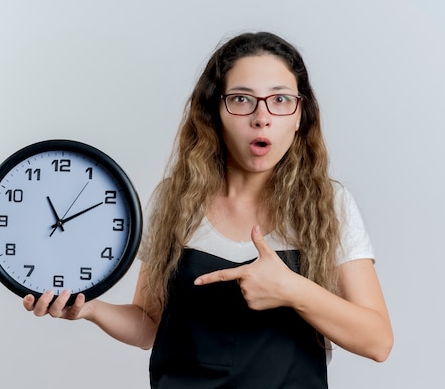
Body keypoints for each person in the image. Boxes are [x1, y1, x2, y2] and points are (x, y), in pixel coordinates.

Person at [23, 31, 393, 388]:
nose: (261, 117)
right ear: (214, 111)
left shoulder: (331, 205)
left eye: (280, 100)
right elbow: (148, 325)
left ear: (300, 115)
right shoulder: (174, 201)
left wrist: (293, 290)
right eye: (241, 99)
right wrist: (88, 310)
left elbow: (377, 342)